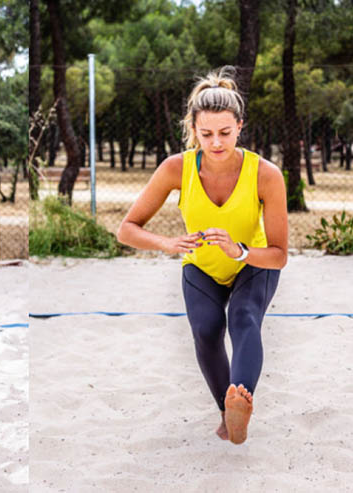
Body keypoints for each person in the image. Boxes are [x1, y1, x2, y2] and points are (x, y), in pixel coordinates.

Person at [117, 67, 288, 444]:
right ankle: (229, 414)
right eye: (206, 133)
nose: (215, 143)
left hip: (252, 263)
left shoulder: (266, 174)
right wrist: (167, 243)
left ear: (240, 126)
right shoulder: (176, 169)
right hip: (200, 265)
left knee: (243, 318)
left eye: (225, 133)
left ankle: (241, 397)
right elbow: (127, 228)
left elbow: (278, 255)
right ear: (192, 128)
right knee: (206, 330)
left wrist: (239, 250)